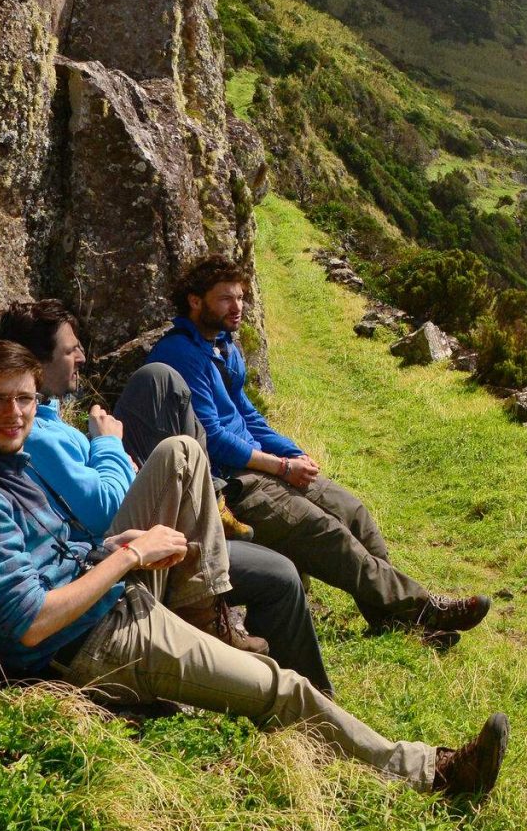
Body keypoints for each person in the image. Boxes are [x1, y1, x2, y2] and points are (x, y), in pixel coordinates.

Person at [0, 338, 508, 798]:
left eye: (23, 398)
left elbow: (50, 565)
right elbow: (29, 623)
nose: (14, 413)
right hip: (93, 646)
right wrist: (129, 556)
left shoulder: (5, 469)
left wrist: (113, 549)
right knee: (284, 689)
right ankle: (434, 773)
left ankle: (207, 616)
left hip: (114, 603)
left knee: (181, 453)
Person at [0, 297, 334, 682]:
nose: (82, 356)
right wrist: (108, 445)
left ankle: (307, 700)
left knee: (282, 572)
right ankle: (202, 611)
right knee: (180, 448)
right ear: (34, 362)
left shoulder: (50, 421)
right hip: (115, 559)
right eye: (71, 349)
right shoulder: (34, 436)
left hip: (127, 544)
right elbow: (101, 510)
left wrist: (118, 462)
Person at [142, 255, 489, 640]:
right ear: (195, 301)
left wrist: (291, 453)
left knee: (353, 512)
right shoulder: (180, 354)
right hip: (234, 485)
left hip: (265, 466)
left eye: (241, 297)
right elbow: (213, 439)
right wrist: (280, 468)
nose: (237, 308)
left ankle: (393, 619)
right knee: (328, 533)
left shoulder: (222, 347)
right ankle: (424, 608)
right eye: (226, 299)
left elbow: (247, 414)